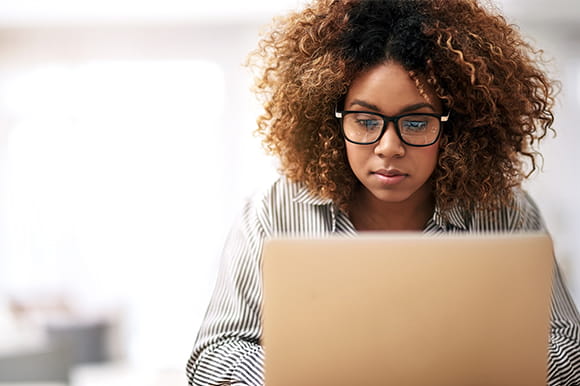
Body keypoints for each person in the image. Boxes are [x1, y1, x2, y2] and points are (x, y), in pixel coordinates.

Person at [186, 0, 580, 385]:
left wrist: (473, 368)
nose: (389, 147)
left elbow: (569, 348)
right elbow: (213, 355)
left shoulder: (504, 210)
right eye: (365, 119)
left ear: (457, 128)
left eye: (416, 122)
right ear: (329, 117)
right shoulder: (274, 208)